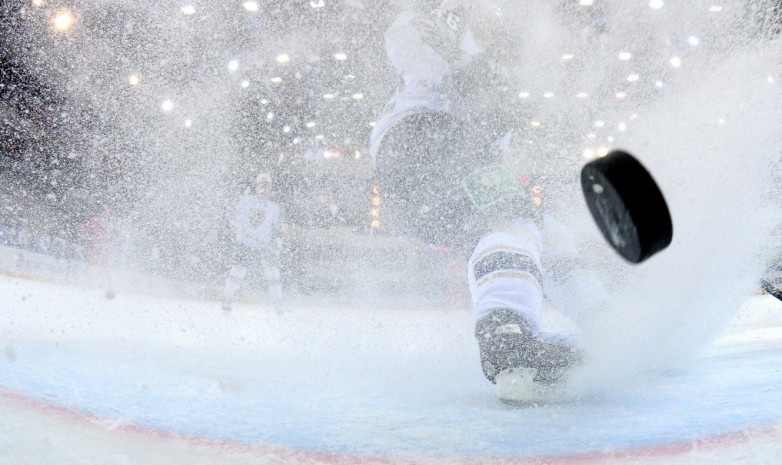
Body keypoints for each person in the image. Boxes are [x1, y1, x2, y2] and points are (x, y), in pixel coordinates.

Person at [370, 1, 613, 394]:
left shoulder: (497, 80)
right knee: (510, 219)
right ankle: (508, 335)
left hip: (430, 162)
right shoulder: (458, 34)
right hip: (423, 136)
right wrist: (458, 55)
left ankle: (606, 326)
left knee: (545, 232)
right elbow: (407, 36)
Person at [222, 173, 284, 313]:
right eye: (261, 185)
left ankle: (278, 303)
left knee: (273, 273)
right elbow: (236, 218)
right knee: (238, 271)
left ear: (271, 188)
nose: (264, 188)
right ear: (256, 186)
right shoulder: (246, 201)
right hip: (246, 242)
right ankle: (227, 299)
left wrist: (277, 241)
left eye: (267, 185)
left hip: (264, 245)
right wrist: (239, 232)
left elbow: (276, 228)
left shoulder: (274, 208)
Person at [80, 204, 118, 298]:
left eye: (107, 211)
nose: (106, 213)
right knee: (93, 264)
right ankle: (89, 282)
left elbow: (116, 234)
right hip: (96, 244)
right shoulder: (95, 220)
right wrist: (86, 239)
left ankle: (108, 284)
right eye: (105, 210)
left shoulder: (110, 222)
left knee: (104, 266)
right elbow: (84, 231)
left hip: (104, 245)